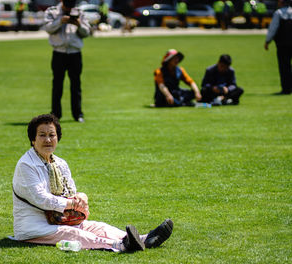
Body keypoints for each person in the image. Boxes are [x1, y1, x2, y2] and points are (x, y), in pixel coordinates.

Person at [12, 114, 174, 252]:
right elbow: (41, 199)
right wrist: (73, 204)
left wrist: (81, 197)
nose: (48, 139)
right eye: (42, 135)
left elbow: (71, 192)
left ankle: (145, 239)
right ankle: (121, 245)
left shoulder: (60, 163)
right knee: (76, 234)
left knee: (99, 227)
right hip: (33, 227)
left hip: (61, 218)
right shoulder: (26, 164)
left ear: (57, 138)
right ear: (33, 140)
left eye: (52, 135)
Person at [43, 0, 91, 123]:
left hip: (75, 54)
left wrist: (79, 24)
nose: (69, 9)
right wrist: (60, 21)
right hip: (59, 53)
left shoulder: (79, 13)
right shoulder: (52, 11)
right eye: (67, 6)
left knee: (76, 85)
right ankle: (55, 114)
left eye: (71, 6)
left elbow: (87, 32)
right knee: (57, 85)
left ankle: (78, 114)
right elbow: (48, 28)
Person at [264, 0, 292, 95]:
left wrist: (268, 41)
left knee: (284, 67)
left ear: (282, 2)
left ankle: (286, 89)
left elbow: (273, 28)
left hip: (283, 44)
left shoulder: (279, 13)